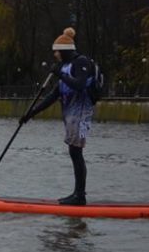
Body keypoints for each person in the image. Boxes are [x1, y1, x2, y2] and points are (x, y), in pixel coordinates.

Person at [20, 27, 95, 206]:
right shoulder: (65, 67)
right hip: (71, 116)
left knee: (76, 153)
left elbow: (80, 84)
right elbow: (53, 96)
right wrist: (30, 114)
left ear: (65, 50)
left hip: (82, 115)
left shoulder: (80, 62)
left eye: (57, 51)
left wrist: (59, 73)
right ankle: (77, 194)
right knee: (74, 152)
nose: (55, 54)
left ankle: (80, 196)